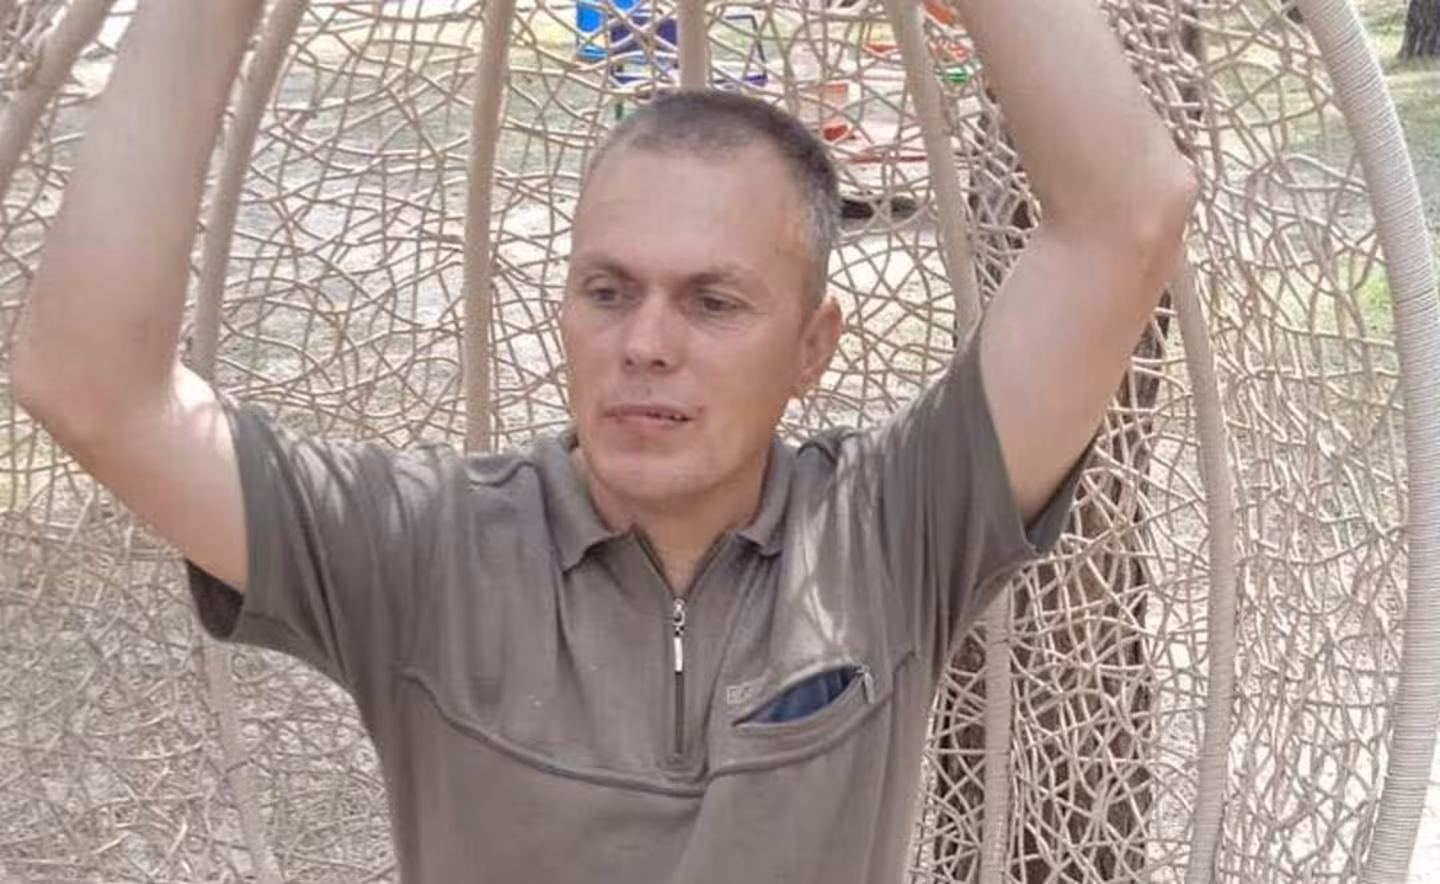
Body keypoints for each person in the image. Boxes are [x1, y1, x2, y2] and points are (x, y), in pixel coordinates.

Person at [11, 1, 1197, 882]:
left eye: (713, 302)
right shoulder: (425, 547)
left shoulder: (891, 524)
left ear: (812, 345)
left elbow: (1127, 214)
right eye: (608, 290)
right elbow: (94, 386)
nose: (646, 344)